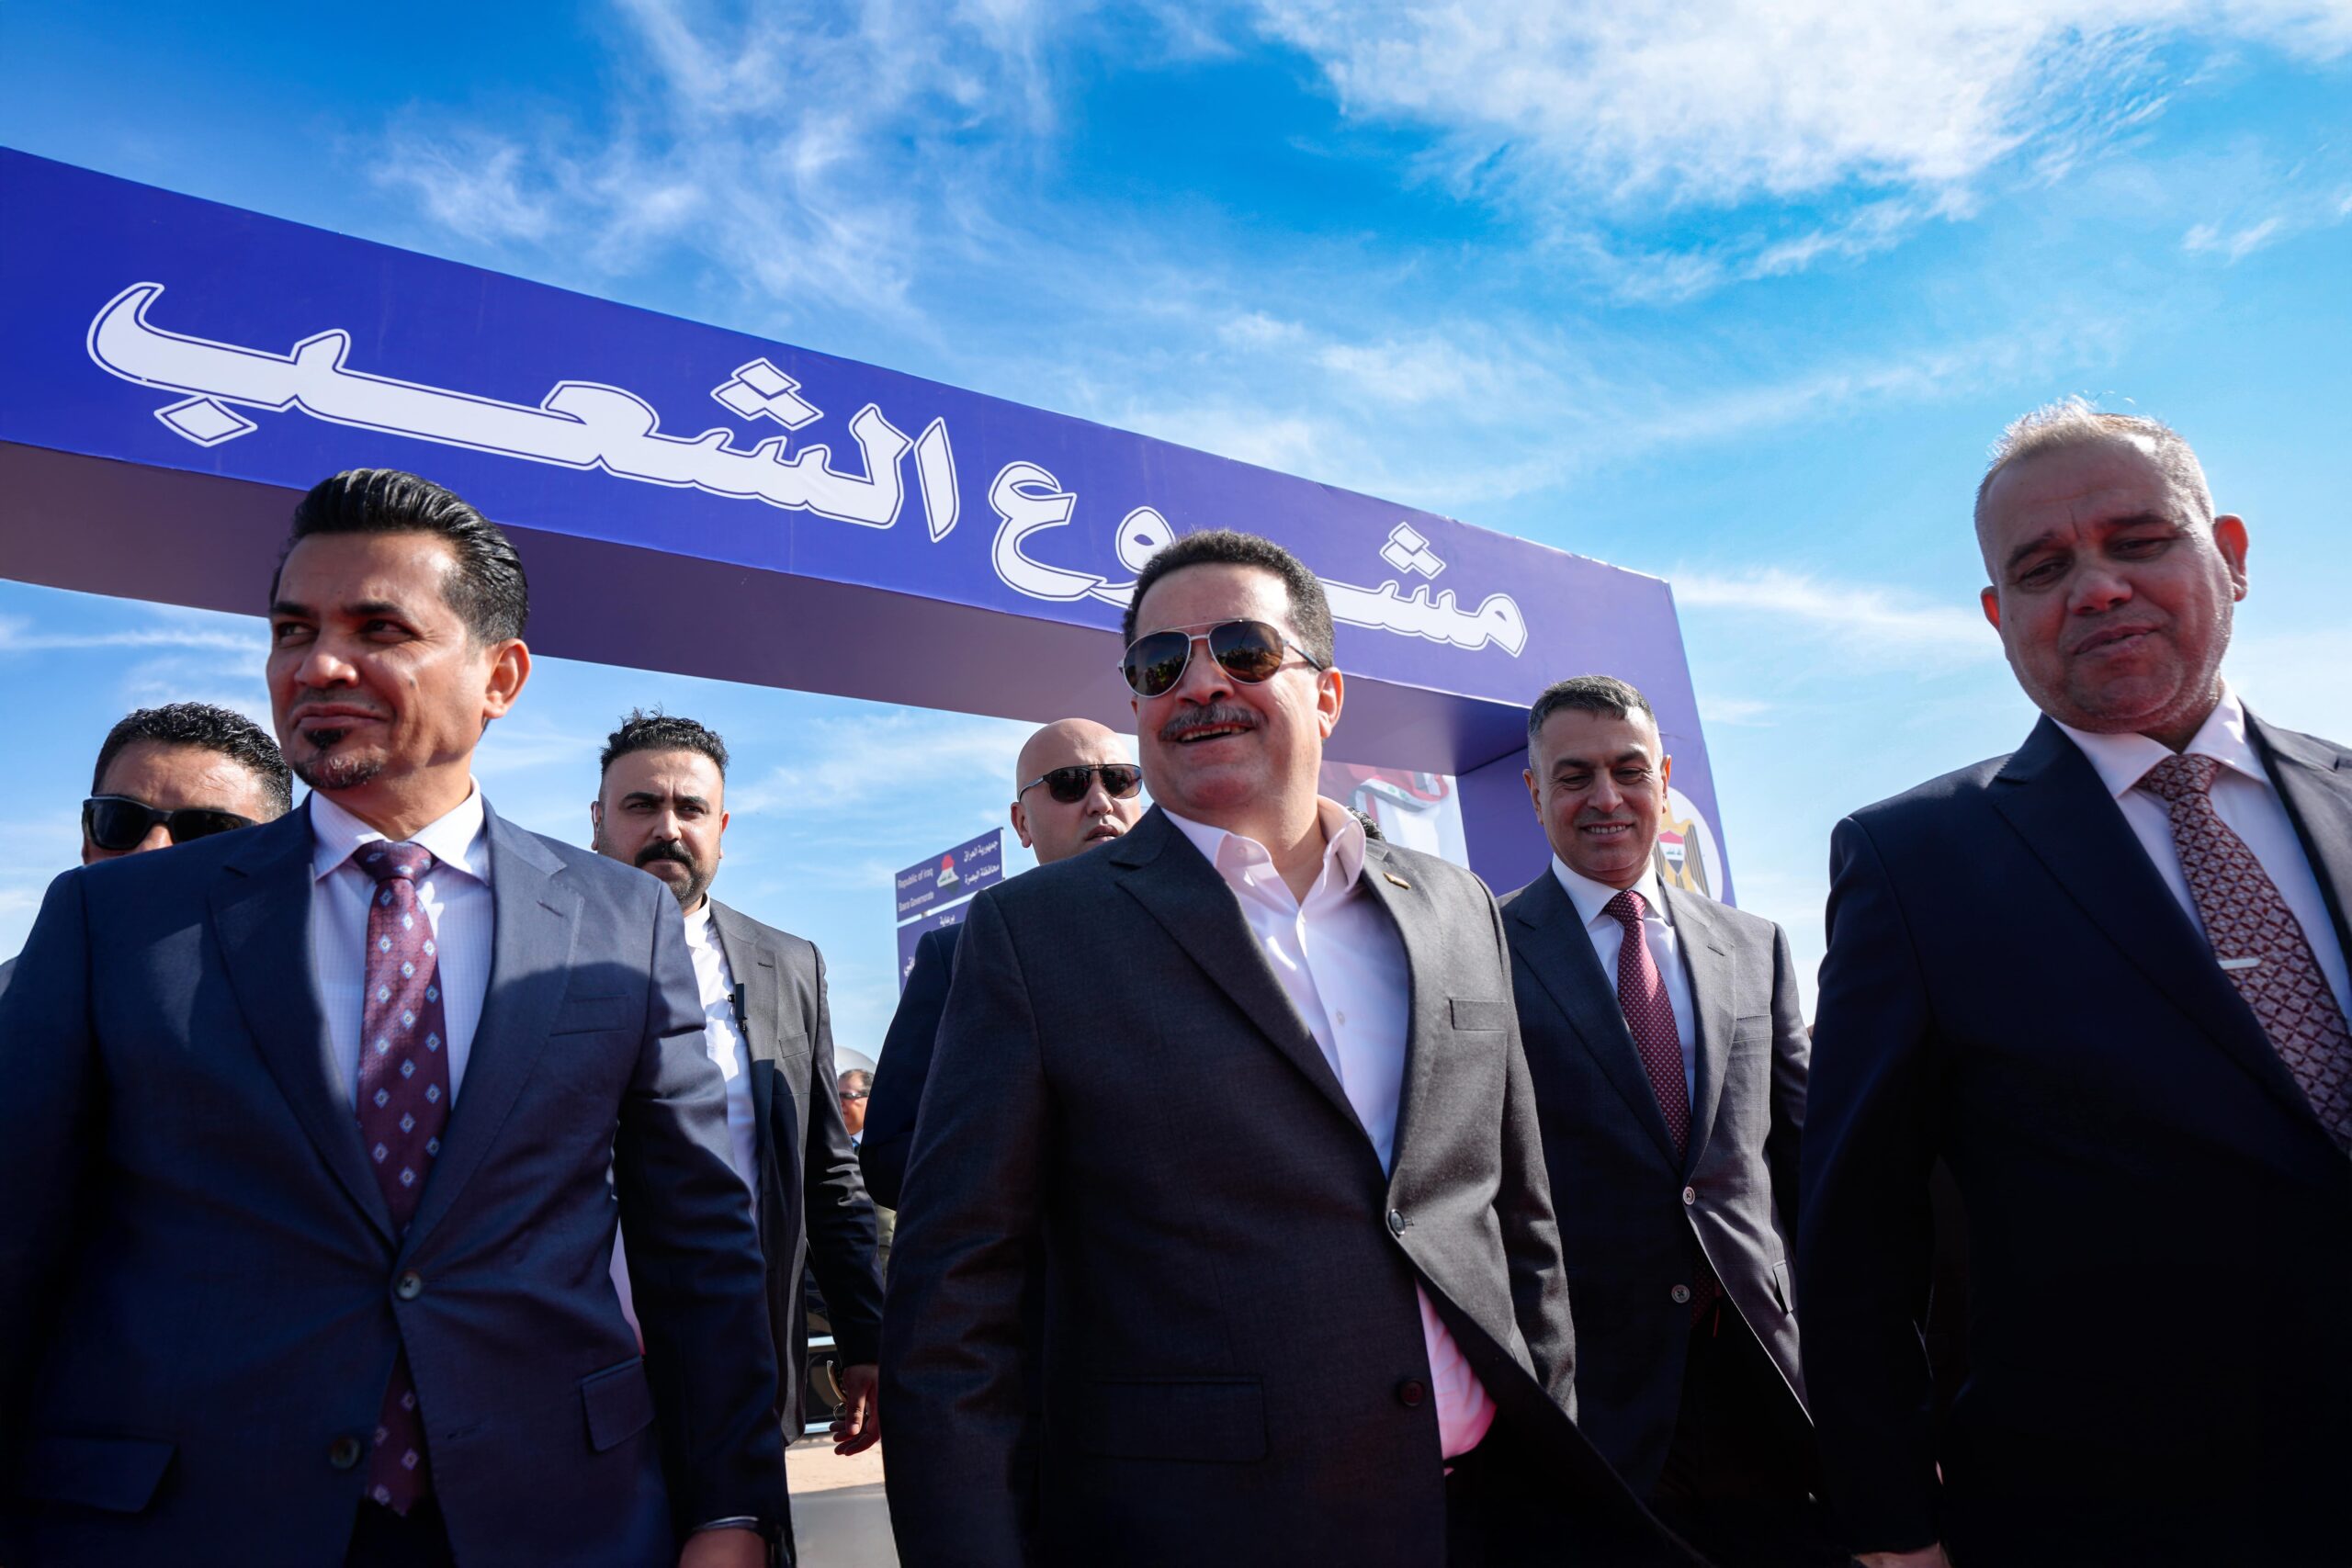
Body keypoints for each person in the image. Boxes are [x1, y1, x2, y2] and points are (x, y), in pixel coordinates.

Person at [0, 470, 782, 1567]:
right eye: (293, 630)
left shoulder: (622, 922)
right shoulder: (115, 922)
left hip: (558, 1520)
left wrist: (732, 1510)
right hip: (191, 1522)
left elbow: (696, 1249)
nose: (318, 666)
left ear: (499, 676)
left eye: (379, 630)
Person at [880, 530, 1696, 1566]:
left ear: (1328, 694)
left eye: (1244, 650)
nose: (1200, 684)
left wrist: (1551, 1436)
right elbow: (955, 1305)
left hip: (1495, 1517)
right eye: (1159, 664)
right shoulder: (1032, 938)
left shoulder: (1455, 907)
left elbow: (1515, 1213)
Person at [1800, 402, 2352, 1567]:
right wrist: (1891, 1525)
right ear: (1999, 616)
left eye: (2138, 541)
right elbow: (1856, 1234)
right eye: (2043, 569)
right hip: (2126, 1518)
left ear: (2232, 557)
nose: (2096, 588)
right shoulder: (1913, 862)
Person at [1501, 675, 1828, 1565]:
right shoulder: (1482, 951)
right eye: (1574, 776)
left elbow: (1807, 1170)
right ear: (1534, 792)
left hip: (1770, 1385)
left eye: (1628, 770)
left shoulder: (1754, 945)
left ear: (1665, 779)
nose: (1605, 798)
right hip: (1601, 1407)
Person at [592, 709, 886, 1471]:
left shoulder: (790, 966)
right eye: (641, 805)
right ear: (598, 820)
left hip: (743, 1371)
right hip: (576, 1376)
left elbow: (828, 1174)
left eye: (690, 808)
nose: (667, 827)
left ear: (720, 828)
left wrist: (866, 1339)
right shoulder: (531, 953)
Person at [858, 717, 1146, 1209]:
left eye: (1119, 780)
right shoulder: (957, 956)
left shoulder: (1210, 927)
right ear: (1022, 823)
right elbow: (890, 1156)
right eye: (1070, 784)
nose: (1100, 801)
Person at [0, 701, 291, 997]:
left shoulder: (310, 1008)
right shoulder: (10, 1000)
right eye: (121, 820)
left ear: (275, 855)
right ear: (88, 841)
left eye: (207, 830)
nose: (151, 850)